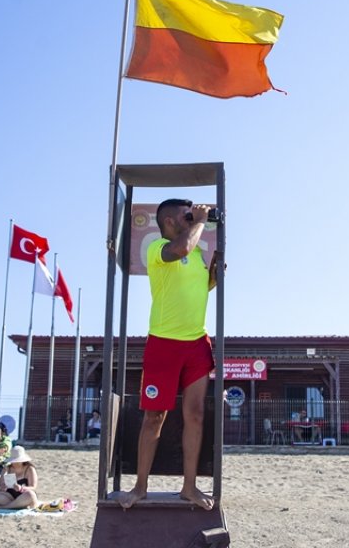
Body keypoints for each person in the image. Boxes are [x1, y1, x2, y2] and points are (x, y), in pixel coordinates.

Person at [118, 199, 222, 511]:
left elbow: (203, 286)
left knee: (195, 415)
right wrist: (201, 221)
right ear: (169, 220)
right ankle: (140, 487)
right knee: (155, 416)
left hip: (197, 343)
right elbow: (181, 250)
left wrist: (215, 272)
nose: (191, 217)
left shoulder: (197, 252)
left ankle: (189, 487)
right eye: (186, 214)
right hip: (163, 343)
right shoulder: (158, 249)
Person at [0, 445, 38, 510]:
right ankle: (17, 505)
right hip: (10, 496)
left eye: (17, 460)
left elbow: (33, 487)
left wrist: (21, 488)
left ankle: (6, 507)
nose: (15, 462)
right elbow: (0, 486)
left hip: (24, 495)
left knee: (30, 495)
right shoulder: (7, 468)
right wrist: (2, 487)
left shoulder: (29, 469)